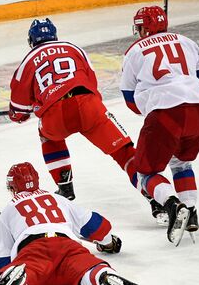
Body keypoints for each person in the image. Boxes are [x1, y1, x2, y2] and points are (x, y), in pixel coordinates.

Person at [8, 18, 139, 204]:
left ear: (31, 41)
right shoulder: (74, 48)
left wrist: (26, 111)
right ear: (55, 36)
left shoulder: (27, 61)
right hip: (90, 107)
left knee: (48, 135)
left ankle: (65, 187)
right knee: (124, 153)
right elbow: (91, 83)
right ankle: (157, 198)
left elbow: (18, 110)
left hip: (56, 116)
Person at [0, 162, 149, 285]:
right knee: (85, 270)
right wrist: (108, 243)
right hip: (66, 245)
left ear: (13, 187)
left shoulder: (8, 209)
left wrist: (11, 265)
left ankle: (19, 280)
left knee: (30, 275)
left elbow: (1, 259)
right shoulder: (57, 198)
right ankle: (103, 277)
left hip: (34, 248)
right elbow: (97, 225)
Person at [120, 6, 199, 246]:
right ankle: (191, 212)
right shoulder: (187, 41)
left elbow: (129, 96)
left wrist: (152, 110)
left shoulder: (135, 50)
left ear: (145, 27)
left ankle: (172, 205)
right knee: (181, 163)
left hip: (164, 114)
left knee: (146, 172)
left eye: (140, 27)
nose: (138, 31)